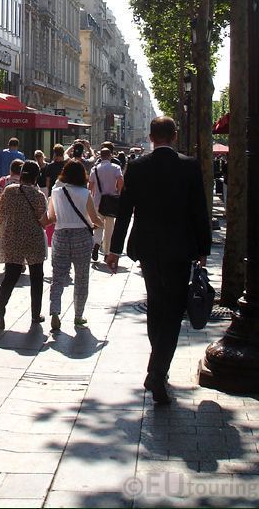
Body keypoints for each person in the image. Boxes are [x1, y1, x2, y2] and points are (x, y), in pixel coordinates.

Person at [106, 116, 212, 405]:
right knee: (174, 312)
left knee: (156, 305)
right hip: (180, 248)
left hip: (148, 249)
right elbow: (199, 210)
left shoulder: (137, 166)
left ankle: (158, 370)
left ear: (151, 137)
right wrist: (204, 247)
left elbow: (125, 211)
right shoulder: (189, 166)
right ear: (175, 136)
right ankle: (157, 372)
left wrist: (114, 249)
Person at [46, 159, 103, 331]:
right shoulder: (85, 193)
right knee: (81, 278)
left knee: (58, 277)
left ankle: (55, 312)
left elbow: (51, 217)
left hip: (61, 235)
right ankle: (78, 316)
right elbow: (94, 219)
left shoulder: (55, 192)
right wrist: (99, 224)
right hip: (81, 238)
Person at [0, 160, 49, 330]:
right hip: (33, 240)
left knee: (10, 277)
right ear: (37, 176)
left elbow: (1, 214)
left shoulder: (9, 191)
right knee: (37, 277)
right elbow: (44, 222)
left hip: (12, 238)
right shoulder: (39, 196)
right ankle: (35, 314)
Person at [88, 147, 124, 262]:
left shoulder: (95, 169)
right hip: (112, 202)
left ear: (100, 156)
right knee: (109, 228)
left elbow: (90, 186)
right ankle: (107, 252)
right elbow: (120, 181)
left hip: (98, 201)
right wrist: (118, 192)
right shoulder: (116, 167)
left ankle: (96, 243)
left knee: (98, 225)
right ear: (110, 156)